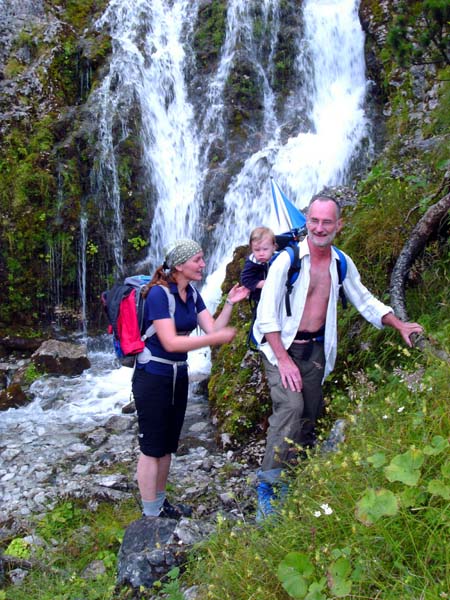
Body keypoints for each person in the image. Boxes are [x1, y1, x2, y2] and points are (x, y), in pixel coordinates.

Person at [252, 195, 424, 520]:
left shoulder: (340, 263)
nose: (319, 228)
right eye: (314, 221)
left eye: (327, 222)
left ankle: (292, 480)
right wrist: (283, 359)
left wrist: (398, 323)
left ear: (338, 225)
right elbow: (266, 316)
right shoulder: (286, 261)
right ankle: (268, 489)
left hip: (315, 349)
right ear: (307, 222)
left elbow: (365, 299)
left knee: (309, 416)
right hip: (280, 348)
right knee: (291, 407)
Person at [132, 238, 249, 519]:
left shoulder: (192, 293)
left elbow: (212, 328)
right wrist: (215, 338)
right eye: (197, 259)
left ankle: (160, 504)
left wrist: (230, 304)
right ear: (180, 264)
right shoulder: (159, 294)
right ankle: (150, 515)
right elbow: (170, 342)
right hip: (153, 375)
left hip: (177, 375)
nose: (203, 264)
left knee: (168, 443)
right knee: (151, 447)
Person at [240, 226, 277, 305]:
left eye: (265, 249)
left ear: (274, 247)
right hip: (260, 299)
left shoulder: (279, 259)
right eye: (257, 250)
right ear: (251, 249)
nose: (261, 253)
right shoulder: (252, 264)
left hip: (277, 297)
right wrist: (263, 284)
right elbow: (245, 280)